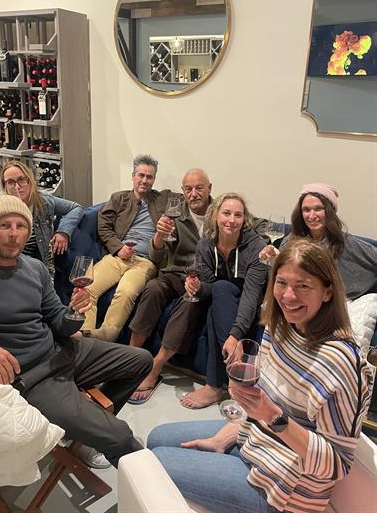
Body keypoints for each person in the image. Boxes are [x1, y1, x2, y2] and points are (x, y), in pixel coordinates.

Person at [0, 195, 153, 468]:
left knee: (142, 360)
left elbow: (58, 320)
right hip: (33, 378)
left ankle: (82, 432)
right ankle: (142, 477)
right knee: (120, 436)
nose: (14, 234)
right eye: (4, 226)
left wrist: (74, 313)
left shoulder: (35, 268)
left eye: (21, 226)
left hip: (64, 352)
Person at [148, 239, 372, 513]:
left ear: (327, 292)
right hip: (255, 441)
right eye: (281, 283)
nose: (288, 296)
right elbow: (260, 407)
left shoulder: (341, 362)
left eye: (303, 286)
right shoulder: (279, 328)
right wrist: (224, 438)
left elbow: (337, 463)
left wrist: (274, 417)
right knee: (156, 437)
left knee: (154, 460)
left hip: (286, 486)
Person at [128, 169, 213, 404]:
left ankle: (155, 368)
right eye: (188, 189)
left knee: (189, 302)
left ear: (209, 188)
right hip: (175, 273)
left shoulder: (220, 212)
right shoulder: (175, 214)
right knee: (153, 287)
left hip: (202, 278)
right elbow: (157, 257)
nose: (194, 194)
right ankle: (131, 358)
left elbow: (255, 224)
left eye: (199, 188)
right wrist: (158, 236)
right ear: (183, 191)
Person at [260, 183, 377, 345]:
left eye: (318, 209)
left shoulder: (346, 244)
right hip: (295, 305)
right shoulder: (292, 239)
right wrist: (274, 260)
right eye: (306, 210)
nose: (311, 215)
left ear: (330, 211)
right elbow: (283, 278)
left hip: (327, 307)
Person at [180, 193, 268, 409]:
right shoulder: (205, 245)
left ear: (244, 220)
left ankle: (214, 385)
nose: (232, 220)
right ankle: (233, 380)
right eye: (226, 213)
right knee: (219, 292)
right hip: (221, 302)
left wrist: (235, 335)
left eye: (238, 215)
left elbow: (251, 295)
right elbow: (210, 288)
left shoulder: (256, 248)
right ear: (215, 215)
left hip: (251, 307)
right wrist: (198, 288)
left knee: (217, 302)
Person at [81, 154, 176, 342]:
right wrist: (118, 248)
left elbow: (190, 196)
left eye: (149, 177)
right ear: (133, 176)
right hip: (118, 257)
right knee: (87, 287)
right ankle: (84, 336)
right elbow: (103, 227)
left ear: (154, 180)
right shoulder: (119, 198)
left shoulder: (162, 198)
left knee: (125, 292)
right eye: (141, 175)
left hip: (145, 261)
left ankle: (107, 335)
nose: (144, 180)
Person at [0, 160, 84, 272]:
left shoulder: (44, 201)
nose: (17, 186)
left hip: (38, 267)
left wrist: (63, 232)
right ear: (4, 186)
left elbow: (75, 208)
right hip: (6, 267)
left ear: (30, 181)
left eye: (22, 180)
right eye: (10, 182)